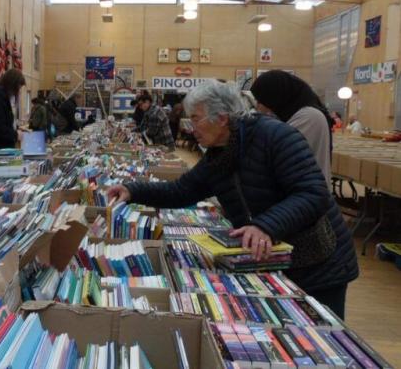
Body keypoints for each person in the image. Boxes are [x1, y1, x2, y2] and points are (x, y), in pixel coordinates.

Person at [107, 80, 358, 319]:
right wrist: (133, 191)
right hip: (276, 257)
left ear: (222, 117)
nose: (190, 127)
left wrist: (265, 226)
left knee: (321, 331)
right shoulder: (220, 153)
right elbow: (181, 191)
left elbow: (313, 193)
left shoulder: (275, 136)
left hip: (321, 261)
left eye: (195, 118)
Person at [250, 70, 334, 188]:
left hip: (308, 195)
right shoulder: (291, 115)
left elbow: (276, 152)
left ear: (275, 97)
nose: (258, 107)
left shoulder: (309, 117)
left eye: (261, 101)